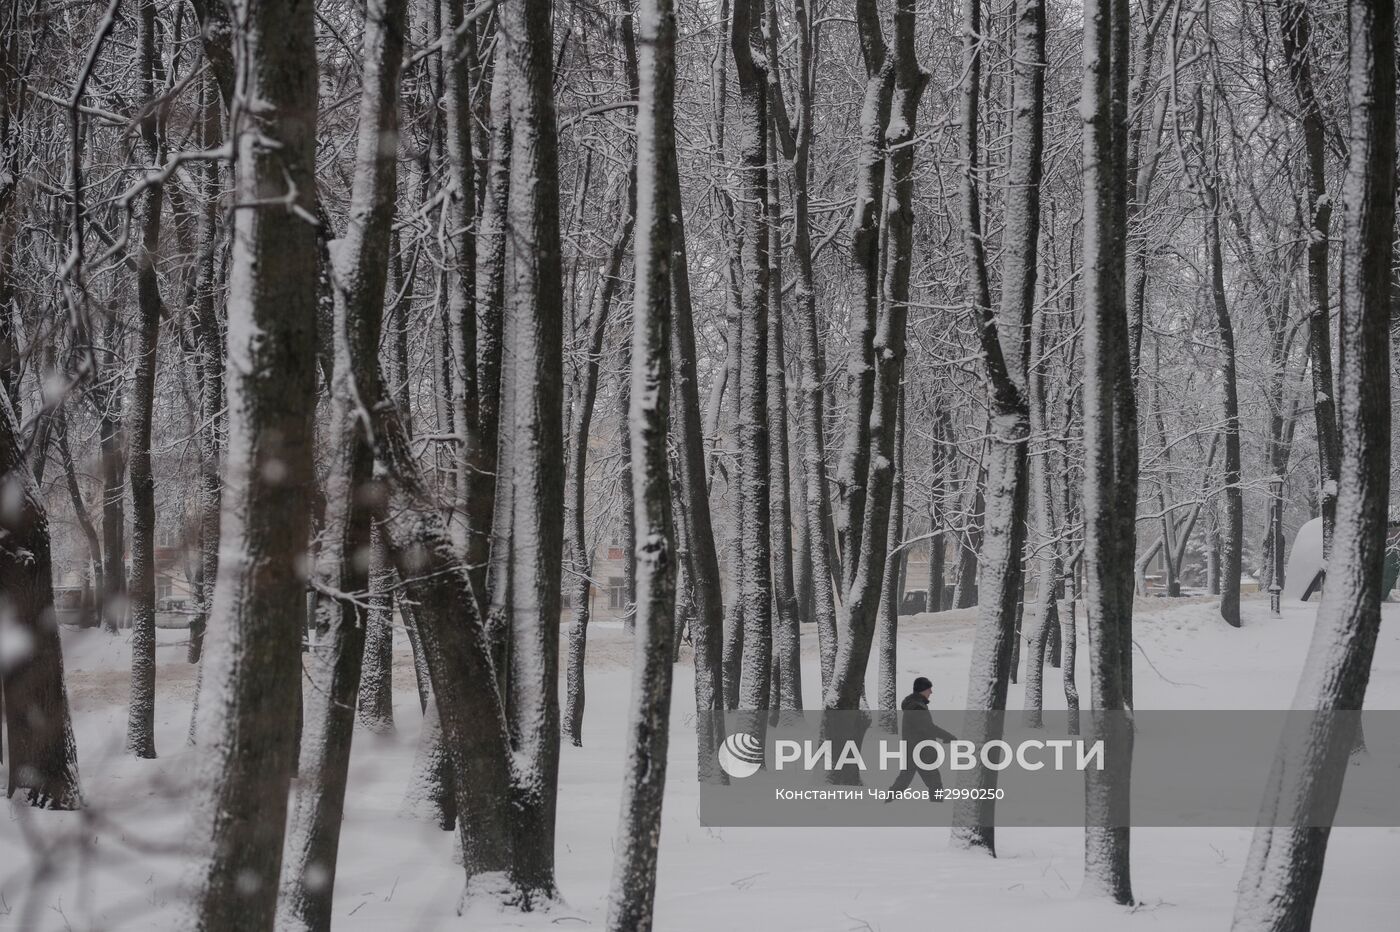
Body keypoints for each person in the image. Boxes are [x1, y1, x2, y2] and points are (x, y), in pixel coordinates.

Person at [886, 676, 957, 799]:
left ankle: (887, 802)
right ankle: (937, 809)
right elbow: (928, 727)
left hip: (914, 748)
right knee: (935, 784)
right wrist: (948, 736)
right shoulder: (917, 707)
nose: (931, 692)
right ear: (922, 690)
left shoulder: (915, 705)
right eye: (929, 689)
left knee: (905, 778)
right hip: (921, 750)